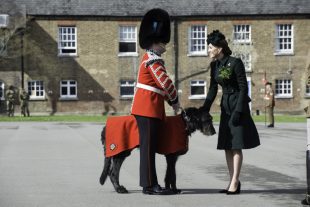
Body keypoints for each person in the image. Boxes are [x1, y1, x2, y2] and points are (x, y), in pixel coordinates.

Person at [199, 30, 260, 194]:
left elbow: (243, 88)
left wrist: (239, 111)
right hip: (225, 108)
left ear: (219, 48)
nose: (208, 50)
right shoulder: (215, 65)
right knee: (227, 145)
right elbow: (212, 89)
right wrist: (204, 108)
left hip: (237, 108)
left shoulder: (235, 62)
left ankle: (234, 182)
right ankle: (233, 180)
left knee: (236, 146)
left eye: (210, 47)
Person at [131, 8, 180, 195]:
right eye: (162, 43)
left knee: (148, 149)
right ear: (155, 42)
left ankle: (149, 184)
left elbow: (160, 86)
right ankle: (151, 185)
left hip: (149, 107)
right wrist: (175, 101)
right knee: (148, 149)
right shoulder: (153, 59)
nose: (165, 46)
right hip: (147, 108)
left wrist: (169, 100)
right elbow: (165, 83)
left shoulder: (151, 58)